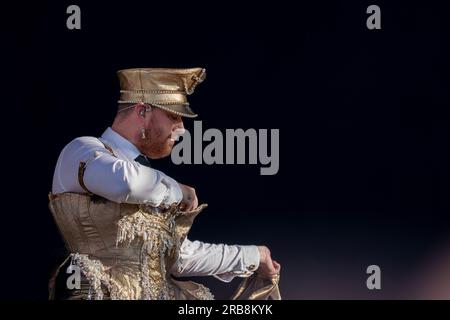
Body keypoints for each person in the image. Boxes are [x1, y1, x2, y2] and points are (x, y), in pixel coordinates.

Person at [48, 67, 280, 300]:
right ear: (142, 111)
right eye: (174, 116)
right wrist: (179, 191)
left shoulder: (150, 182)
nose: (181, 129)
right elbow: (126, 184)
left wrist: (255, 255)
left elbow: (177, 256)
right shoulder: (82, 150)